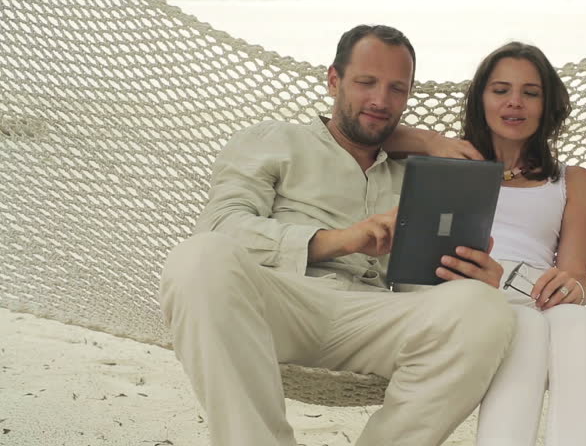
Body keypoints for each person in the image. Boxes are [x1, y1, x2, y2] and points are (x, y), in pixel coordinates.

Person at [158, 24, 517, 446]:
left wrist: (466, 280)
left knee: (484, 308)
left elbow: (426, 294)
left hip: (373, 316)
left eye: (396, 89)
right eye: (366, 83)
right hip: (280, 302)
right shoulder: (275, 141)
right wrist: (341, 239)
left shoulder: (420, 178)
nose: (380, 100)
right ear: (334, 80)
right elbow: (222, 226)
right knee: (199, 258)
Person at [457, 42, 586, 446]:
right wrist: (431, 145)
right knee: (524, 329)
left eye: (531, 92)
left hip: (537, 294)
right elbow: (389, 138)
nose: (515, 102)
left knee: (583, 323)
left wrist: (571, 287)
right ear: (480, 100)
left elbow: (577, 276)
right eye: (501, 90)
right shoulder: (451, 165)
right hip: (473, 291)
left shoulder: (572, 180)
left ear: (547, 105)